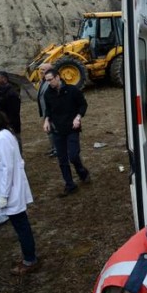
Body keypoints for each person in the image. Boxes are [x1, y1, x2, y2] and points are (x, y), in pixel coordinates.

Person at [0, 103, 39, 276]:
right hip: (12, 188)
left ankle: (30, 260)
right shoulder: (4, 135)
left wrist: (3, 195)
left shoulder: (2, 138)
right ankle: (29, 257)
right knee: (21, 224)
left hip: (10, 190)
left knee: (21, 226)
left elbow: (7, 169)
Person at [43, 69, 90, 197]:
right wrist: (46, 120)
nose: (48, 83)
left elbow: (83, 105)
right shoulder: (48, 94)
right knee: (62, 159)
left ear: (58, 77)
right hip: (57, 130)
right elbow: (48, 110)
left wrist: (78, 117)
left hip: (72, 128)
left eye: (50, 79)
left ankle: (82, 172)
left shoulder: (72, 90)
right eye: (46, 80)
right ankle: (69, 184)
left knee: (73, 156)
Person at [0, 70, 22, 153]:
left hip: (11, 126)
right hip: (2, 125)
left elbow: (14, 112)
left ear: (5, 79)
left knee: (15, 148)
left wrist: (9, 125)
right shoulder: (0, 92)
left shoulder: (12, 93)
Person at [37, 63, 56, 157]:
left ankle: (57, 149)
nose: (41, 72)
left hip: (51, 111)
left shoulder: (51, 82)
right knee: (49, 130)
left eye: (43, 70)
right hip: (45, 111)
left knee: (54, 129)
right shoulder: (43, 81)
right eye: (41, 70)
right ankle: (53, 148)